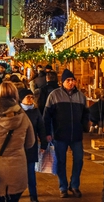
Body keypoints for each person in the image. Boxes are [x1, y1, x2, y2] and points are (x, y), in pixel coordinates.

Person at [43, 69, 90, 198]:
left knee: (79, 160)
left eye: (72, 80)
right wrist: (47, 132)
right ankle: (63, 186)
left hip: (76, 135)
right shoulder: (54, 95)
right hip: (60, 134)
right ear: (62, 82)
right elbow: (47, 116)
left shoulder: (81, 96)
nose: (71, 82)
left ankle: (74, 185)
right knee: (60, 161)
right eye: (68, 80)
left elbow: (86, 113)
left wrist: (84, 126)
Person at [20, 94, 46, 202]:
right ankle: (16, 192)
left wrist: (44, 143)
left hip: (31, 145)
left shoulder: (35, 111)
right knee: (18, 171)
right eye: (28, 97)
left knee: (30, 171)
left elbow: (41, 127)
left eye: (32, 97)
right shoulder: (17, 111)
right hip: (18, 146)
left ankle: (33, 194)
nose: (31, 99)